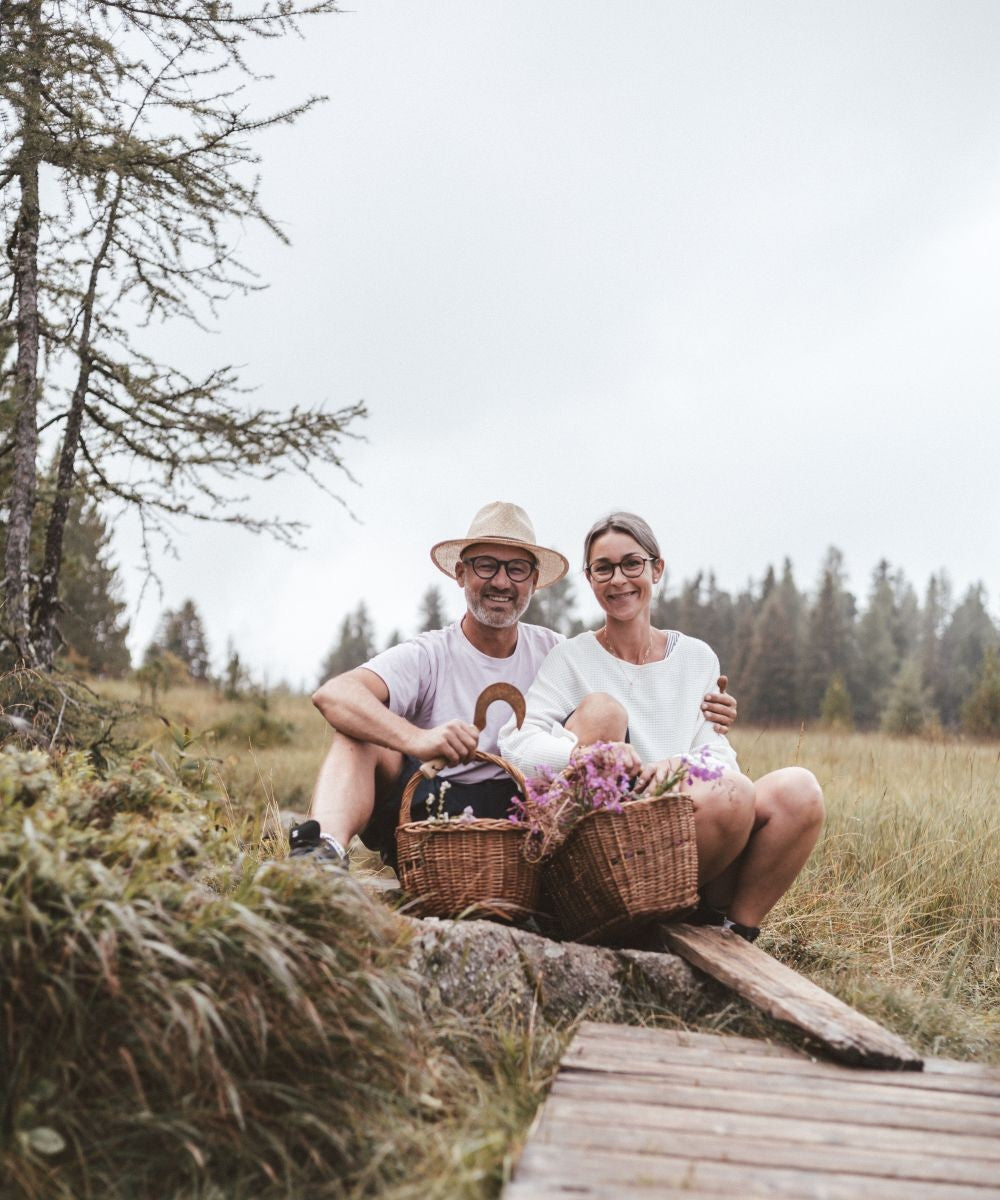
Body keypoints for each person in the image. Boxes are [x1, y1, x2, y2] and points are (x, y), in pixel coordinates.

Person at [292, 501, 738, 868]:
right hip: (430, 805)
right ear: (461, 574)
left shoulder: (558, 652)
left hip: (528, 811)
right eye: (486, 566)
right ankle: (321, 852)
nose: (501, 582)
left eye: (517, 569)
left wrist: (704, 705)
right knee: (358, 733)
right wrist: (419, 738)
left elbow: (626, 697)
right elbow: (334, 694)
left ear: (533, 583)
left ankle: (580, 872)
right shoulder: (429, 653)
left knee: (601, 711)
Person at [499, 511, 825, 941]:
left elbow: (720, 755)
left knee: (798, 789)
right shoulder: (571, 658)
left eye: (632, 564)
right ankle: (628, 915)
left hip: (697, 831)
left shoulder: (697, 658)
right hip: (616, 845)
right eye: (603, 568)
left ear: (657, 569)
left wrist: (673, 769)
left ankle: (733, 931)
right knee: (606, 712)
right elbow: (515, 744)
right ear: (590, 578)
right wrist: (585, 756)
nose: (618, 579)